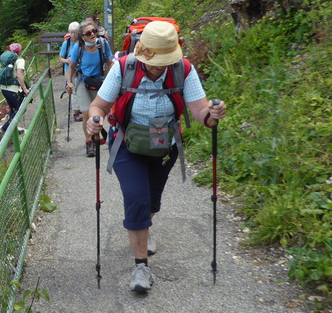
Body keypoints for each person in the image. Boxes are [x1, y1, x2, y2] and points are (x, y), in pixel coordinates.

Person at [85, 21, 227, 293]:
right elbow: (98, 106)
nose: (159, 67)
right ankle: (141, 267)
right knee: (136, 197)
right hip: (127, 142)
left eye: (165, 61)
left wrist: (212, 114)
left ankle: (144, 226)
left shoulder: (183, 69)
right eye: (154, 62)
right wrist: (94, 121)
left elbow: (200, 112)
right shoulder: (124, 68)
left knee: (151, 200)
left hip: (165, 146)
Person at [65, 21, 113, 157]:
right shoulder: (78, 47)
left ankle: (96, 136)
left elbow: (110, 62)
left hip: (99, 81)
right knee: (86, 113)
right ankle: (89, 141)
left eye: (94, 31)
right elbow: (72, 67)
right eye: (88, 33)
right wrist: (69, 82)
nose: (92, 34)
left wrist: (111, 79)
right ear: (82, 37)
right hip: (83, 81)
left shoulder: (103, 44)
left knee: (98, 113)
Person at [0, 43, 29, 133]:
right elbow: (19, 75)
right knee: (20, 110)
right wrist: (25, 89)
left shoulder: (5, 60)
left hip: (4, 89)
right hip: (14, 90)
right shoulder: (20, 60)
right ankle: (6, 127)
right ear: (19, 52)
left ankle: (13, 130)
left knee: (14, 109)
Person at [59, 21, 82, 122]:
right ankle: (76, 112)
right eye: (71, 32)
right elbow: (61, 58)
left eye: (75, 32)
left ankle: (80, 109)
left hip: (80, 70)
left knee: (80, 89)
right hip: (69, 70)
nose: (73, 35)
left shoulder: (82, 42)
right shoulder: (66, 43)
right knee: (73, 90)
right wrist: (67, 61)